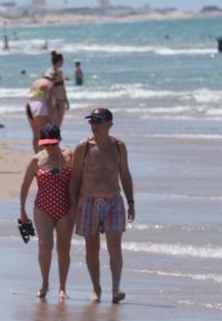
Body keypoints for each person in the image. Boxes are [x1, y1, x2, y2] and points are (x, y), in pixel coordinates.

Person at [69, 108, 135, 303]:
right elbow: (75, 178)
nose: (94, 125)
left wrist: (131, 201)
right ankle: (96, 288)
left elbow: (125, 174)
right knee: (92, 248)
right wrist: (73, 205)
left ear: (109, 124)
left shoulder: (118, 146)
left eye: (98, 121)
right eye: (92, 122)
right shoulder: (83, 147)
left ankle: (115, 289)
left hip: (114, 200)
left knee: (115, 245)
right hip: (88, 200)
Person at [20, 124, 73, 300]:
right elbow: (25, 186)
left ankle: (63, 287)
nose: (50, 148)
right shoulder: (36, 161)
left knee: (63, 249)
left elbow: (80, 181)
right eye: (46, 145)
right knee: (45, 246)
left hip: (65, 208)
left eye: (53, 144)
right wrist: (22, 211)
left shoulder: (69, 157)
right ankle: (44, 283)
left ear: (59, 140)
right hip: (42, 207)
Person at [25, 74, 54, 151]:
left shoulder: (35, 82)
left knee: (36, 134)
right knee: (45, 133)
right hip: (39, 106)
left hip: (29, 105)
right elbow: (49, 101)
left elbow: (30, 95)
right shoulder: (50, 83)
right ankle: (43, 154)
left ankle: (36, 155)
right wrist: (51, 115)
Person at [45, 51, 69, 127]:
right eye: (62, 61)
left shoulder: (60, 72)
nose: (63, 63)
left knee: (59, 124)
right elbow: (48, 86)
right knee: (54, 123)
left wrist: (67, 100)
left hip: (61, 100)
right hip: (53, 101)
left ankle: (56, 138)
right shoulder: (49, 72)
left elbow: (63, 87)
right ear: (58, 61)